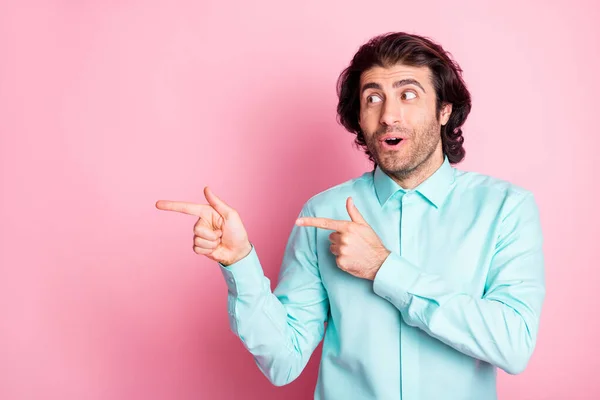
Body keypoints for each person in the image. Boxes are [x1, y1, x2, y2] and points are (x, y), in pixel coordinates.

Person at [156, 32, 545, 400]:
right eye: (373, 98)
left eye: (408, 94)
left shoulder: (505, 209)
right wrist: (239, 262)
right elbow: (283, 360)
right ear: (359, 117)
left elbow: (512, 344)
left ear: (444, 111)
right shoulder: (321, 213)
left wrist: (384, 268)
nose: (389, 115)